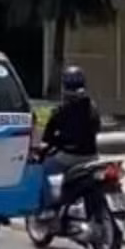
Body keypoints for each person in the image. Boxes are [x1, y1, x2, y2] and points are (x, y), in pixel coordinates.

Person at [40, 66, 102, 221]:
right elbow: (97, 127)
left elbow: (48, 136)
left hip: (69, 156)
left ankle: (49, 208)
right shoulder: (91, 105)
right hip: (92, 155)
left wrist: (51, 143)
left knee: (44, 169)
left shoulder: (61, 109)